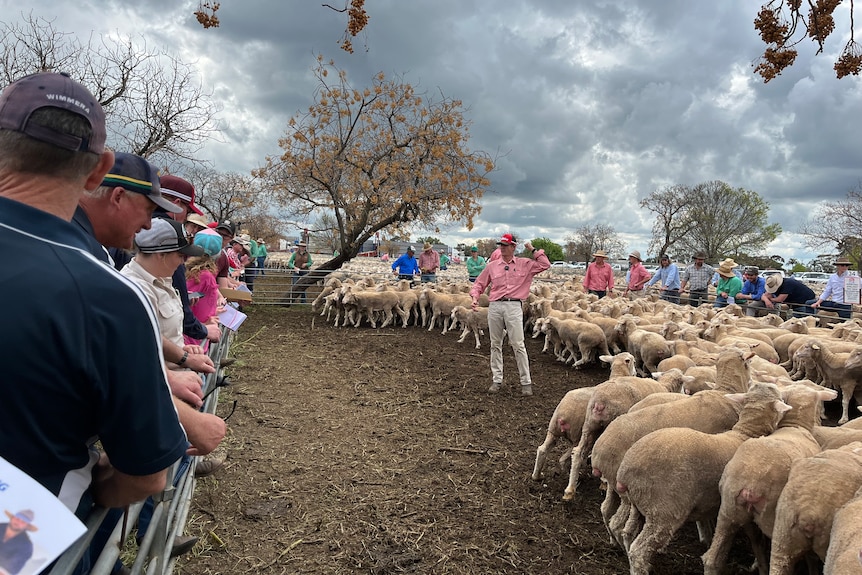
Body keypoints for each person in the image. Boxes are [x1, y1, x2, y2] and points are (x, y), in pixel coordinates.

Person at [0, 72, 188, 520]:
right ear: (100, 170)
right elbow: (147, 474)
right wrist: (94, 494)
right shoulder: (108, 297)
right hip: (24, 535)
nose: (146, 227)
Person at [470, 233, 550, 396]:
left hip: (514, 305)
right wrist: (475, 297)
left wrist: (533, 249)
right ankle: (497, 380)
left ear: (513, 247)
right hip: (495, 306)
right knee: (495, 344)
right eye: (501, 245)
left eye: (506, 245)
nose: (502, 247)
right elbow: (479, 283)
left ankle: (526, 382)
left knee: (518, 344)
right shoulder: (492, 266)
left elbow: (544, 264)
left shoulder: (525, 264)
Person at [0, 510, 36, 575]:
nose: (18, 522)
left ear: (27, 526)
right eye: (17, 518)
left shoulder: (26, 546)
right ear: (12, 518)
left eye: (23, 521)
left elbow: (8, 572)